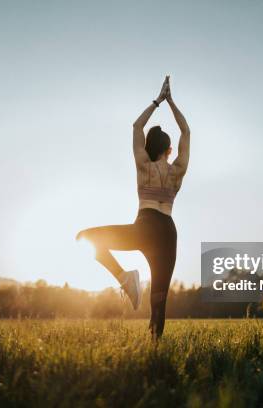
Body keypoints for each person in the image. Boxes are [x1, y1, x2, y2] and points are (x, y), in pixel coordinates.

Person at [76, 76, 190, 339]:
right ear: (170, 150)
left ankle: (125, 278)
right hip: (168, 233)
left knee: (88, 237)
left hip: (146, 226)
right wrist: (172, 102)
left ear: (150, 148)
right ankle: (153, 353)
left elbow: (138, 126)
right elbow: (186, 132)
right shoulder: (178, 170)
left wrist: (157, 101)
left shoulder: (143, 165)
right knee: (159, 302)